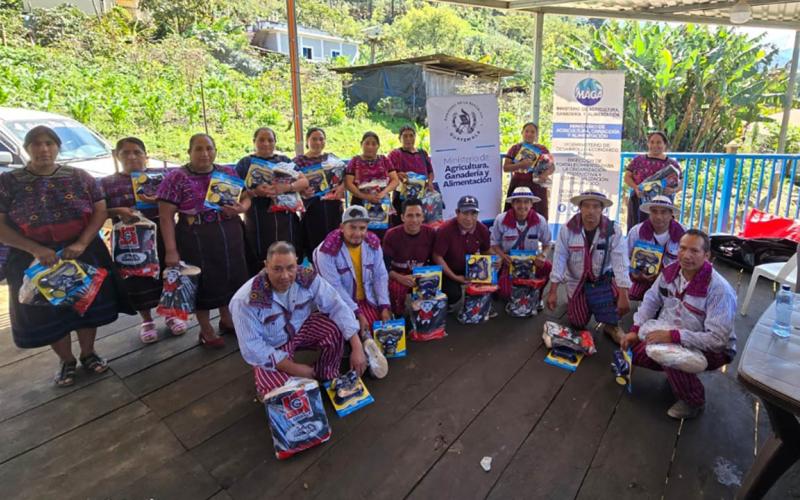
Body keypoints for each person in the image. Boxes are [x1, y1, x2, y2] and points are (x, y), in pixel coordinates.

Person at [0, 126, 131, 386]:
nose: (43, 149)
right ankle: (66, 360)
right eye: (36, 144)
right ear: (27, 149)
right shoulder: (9, 183)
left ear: (58, 147)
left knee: (85, 305)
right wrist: (35, 249)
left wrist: (82, 243)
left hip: (81, 252)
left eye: (49, 143)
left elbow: (99, 210)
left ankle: (88, 353)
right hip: (33, 258)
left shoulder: (80, 177)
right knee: (47, 312)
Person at [621, 230, 736, 419]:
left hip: (714, 349)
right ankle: (679, 373)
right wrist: (634, 330)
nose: (686, 255)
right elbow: (651, 300)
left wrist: (673, 337)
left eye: (694, 251)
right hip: (675, 330)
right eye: (682, 248)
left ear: (707, 256)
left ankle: (694, 401)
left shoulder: (719, 290)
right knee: (638, 354)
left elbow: (718, 340)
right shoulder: (670, 272)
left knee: (670, 357)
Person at [229, 241, 365, 401]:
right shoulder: (244, 300)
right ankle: (277, 384)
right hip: (272, 347)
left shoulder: (307, 277)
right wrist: (294, 368)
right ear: (266, 265)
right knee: (283, 396)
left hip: (300, 330)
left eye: (290, 267)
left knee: (334, 328)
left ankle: (324, 373)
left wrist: (357, 346)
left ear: (297, 263)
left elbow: (336, 304)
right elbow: (252, 347)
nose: (285, 276)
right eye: (277, 269)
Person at [157, 133, 250, 348]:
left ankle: (227, 319)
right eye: (198, 149)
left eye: (209, 148)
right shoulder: (176, 177)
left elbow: (246, 196)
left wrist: (242, 208)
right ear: (189, 152)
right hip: (195, 236)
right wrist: (171, 250)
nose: (204, 153)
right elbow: (165, 216)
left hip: (229, 232)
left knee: (231, 276)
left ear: (215, 150)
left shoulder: (226, 172)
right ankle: (206, 329)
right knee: (204, 282)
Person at [101, 137, 187, 343]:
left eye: (137, 152)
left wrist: (160, 199)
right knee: (136, 279)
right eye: (126, 153)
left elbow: (177, 202)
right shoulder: (107, 183)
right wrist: (118, 211)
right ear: (117, 156)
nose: (132, 157)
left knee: (168, 274)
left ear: (146, 156)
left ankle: (170, 314)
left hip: (162, 234)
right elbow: (98, 211)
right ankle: (147, 320)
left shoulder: (162, 177)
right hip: (129, 241)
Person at [313, 205, 390, 378]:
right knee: (349, 328)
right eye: (352, 227)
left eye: (362, 228)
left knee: (382, 324)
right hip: (340, 303)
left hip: (368, 300)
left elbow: (380, 275)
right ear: (341, 228)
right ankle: (365, 348)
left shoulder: (373, 244)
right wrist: (356, 312)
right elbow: (334, 290)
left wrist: (385, 305)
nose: (357, 233)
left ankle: (365, 347)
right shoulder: (325, 252)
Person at [546, 191, 631, 341]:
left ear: (602, 209)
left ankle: (611, 325)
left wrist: (624, 294)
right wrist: (552, 291)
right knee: (577, 322)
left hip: (601, 282)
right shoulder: (567, 229)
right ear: (579, 208)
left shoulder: (613, 230)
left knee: (615, 308)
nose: (591, 211)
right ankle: (578, 303)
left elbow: (621, 262)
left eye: (595, 206)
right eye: (586, 206)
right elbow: (559, 258)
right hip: (577, 282)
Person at [235, 127, 309, 272]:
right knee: (260, 262)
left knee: (288, 258)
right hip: (258, 221)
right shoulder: (245, 163)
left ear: (275, 142)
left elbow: (304, 182)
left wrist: (286, 187)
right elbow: (236, 193)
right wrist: (254, 192)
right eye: (261, 140)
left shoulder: (284, 161)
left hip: (286, 222)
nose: (266, 143)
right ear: (254, 142)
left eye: (270, 140)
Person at [490, 187, 553, 302]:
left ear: (531, 204)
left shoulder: (540, 220)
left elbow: (547, 243)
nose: (522, 205)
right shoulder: (501, 219)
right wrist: (502, 256)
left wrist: (543, 255)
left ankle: (538, 296)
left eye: (526, 201)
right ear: (512, 204)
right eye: (518, 201)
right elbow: (494, 244)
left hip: (531, 262)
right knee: (505, 293)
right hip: (509, 262)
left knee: (548, 266)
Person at [432, 195, 491, 307]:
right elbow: (437, 257)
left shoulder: (482, 229)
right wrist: (455, 277)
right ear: (457, 213)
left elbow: (487, 251)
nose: (469, 218)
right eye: (465, 213)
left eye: (473, 213)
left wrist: (496, 262)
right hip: (449, 269)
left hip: (471, 266)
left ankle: (481, 305)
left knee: (494, 275)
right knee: (453, 294)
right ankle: (446, 306)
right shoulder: (445, 230)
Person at [382, 198, 436, 315]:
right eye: (410, 215)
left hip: (421, 273)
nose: (414, 220)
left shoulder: (431, 233)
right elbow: (384, 266)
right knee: (395, 288)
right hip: (399, 275)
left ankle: (426, 316)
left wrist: (427, 276)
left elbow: (434, 261)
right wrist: (398, 277)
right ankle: (398, 314)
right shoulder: (391, 235)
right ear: (402, 217)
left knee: (435, 284)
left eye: (418, 215)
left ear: (423, 216)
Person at [627, 195, 685, 301]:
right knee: (629, 296)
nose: (658, 216)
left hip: (673, 281)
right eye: (654, 211)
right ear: (649, 213)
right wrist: (634, 273)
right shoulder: (636, 232)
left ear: (671, 214)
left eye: (663, 212)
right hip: (641, 279)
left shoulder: (684, 234)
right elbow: (625, 258)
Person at [297, 127, 344, 258]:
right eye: (314, 139)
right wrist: (302, 191)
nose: (318, 142)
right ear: (307, 141)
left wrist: (341, 188)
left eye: (321, 139)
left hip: (333, 208)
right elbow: (292, 185)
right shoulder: (299, 161)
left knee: (335, 242)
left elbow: (345, 177)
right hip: (312, 209)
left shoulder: (332, 158)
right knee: (314, 244)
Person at [344, 131, 400, 237]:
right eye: (367, 143)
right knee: (361, 234)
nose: (370, 146)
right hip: (360, 202)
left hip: (382, 202)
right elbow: (348, 183)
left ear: (378, 146)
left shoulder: (384, 160)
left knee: (383, 234)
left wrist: (383, 193)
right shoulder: (355, 161)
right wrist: (365, 196)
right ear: (362, 144)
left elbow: (395, 180)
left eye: (374, 144)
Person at [623, 131, 682, 228]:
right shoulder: (638, 160)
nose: (655, 145)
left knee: (660, 229)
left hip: (662, 205)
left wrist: (673, 190)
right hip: (639, 200)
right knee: (637, 228)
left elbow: (681, 182)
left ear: (665, 144)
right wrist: (636, 188)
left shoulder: (672, 164)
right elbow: (627, 177)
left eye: (659, 142)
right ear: (648, 144)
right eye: (652, 142)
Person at [502, 122, 554, 217]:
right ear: (522, 133)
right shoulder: (515, 148)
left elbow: (551, 167)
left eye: (533, 132)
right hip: (518, 184)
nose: (529, 134)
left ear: (537, 135)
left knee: (538, 214)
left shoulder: (542, 149)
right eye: (527, 131)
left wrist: (545, 174)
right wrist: (520, 165)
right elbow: (505, 168)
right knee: (515, 213)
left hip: (537, 186)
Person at [387, 125, 435, 225]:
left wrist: (430, 182)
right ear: (399, 138)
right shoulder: (395, 154)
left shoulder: (422, 153)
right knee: (402, 227)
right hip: (401, 200)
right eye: (405, 136)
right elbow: (388, 173)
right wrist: (397, 174)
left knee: (422, 226)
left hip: (422, 198)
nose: (408, 139)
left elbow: (430, 171)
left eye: (411, 135)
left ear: (415, 137)